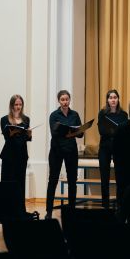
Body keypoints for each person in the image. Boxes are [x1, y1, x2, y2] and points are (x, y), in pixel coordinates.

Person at [46, 90, 82, 219]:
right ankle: (49, 211)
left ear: (70, 100)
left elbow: (81, 133)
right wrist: (70, 132)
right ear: (59, 101)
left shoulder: (75, 114)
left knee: (72, 180)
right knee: (53, 180)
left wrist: (73, 132)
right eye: (62, 99)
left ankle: (72, 210)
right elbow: (54, 133)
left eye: (67, 99)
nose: (65, 102)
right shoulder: (54, 115)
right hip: (57, 151)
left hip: (71, 151)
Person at [97, 89, 129, 208]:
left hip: (118, 148)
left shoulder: (123, 115)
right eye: (110, 97)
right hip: (105, 147)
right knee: (104, 178)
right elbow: (101, 130)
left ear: (118, 99)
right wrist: (116, 131)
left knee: (120, 177)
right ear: (107, 100)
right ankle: (105, 205)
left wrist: (114, 132)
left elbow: (125, 132)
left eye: (115, 97)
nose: (113, 100)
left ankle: (120, 205)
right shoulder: (102, 113)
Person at [0, 94, 31, 203]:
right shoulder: (4, 119)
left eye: (20, 104)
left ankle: (20, 208)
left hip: (22, 154)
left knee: (20, 182)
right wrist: (11, 133)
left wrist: (29, 134)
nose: (18, 107)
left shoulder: (26, 119)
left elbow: (26, 139)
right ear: (11, 105)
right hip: (9, 154)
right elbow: (6, 138)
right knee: (8, 181)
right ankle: (6, 207)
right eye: (16, 104)